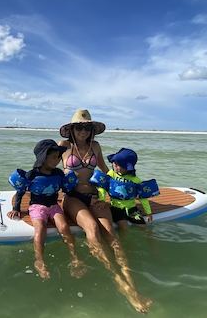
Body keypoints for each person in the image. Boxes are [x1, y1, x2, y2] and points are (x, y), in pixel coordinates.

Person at [58, 109, 152, 313]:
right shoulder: (64, 146)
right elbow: (45, 167)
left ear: (92, 130)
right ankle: (120, 282)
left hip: (95, 196)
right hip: (73, 198)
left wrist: (112, 197)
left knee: (112, 236)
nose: (83, 131)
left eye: (87, 127)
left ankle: (132, 284)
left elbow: (106, 173)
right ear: (72, 129)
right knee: (91, 229)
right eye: (79, 127)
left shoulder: (96, 146)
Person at [7, 139, 86, 280]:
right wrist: (16, 208)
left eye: (58, 157)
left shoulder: (59, 174)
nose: (57, 160)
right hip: (37, 206)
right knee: (41, 228)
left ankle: (75, 257)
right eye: (54, 157)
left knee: (64, 227)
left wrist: (86, 198)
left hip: (54, 206)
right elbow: (20, 192)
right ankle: (39, 260)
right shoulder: (32, 175)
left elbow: (68, 191)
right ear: (43, 158)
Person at [91, 148, 159, 230]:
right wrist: (102, 200)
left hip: (132, 209)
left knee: (143, 226)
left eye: (118, 164)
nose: (115, 165)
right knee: (124, 226)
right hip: (116, 208)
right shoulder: (111, 174)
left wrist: (149, 213)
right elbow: (103, 188)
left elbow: (142, 197)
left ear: (127, 168)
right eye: (114, 163)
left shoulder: (135, 180)